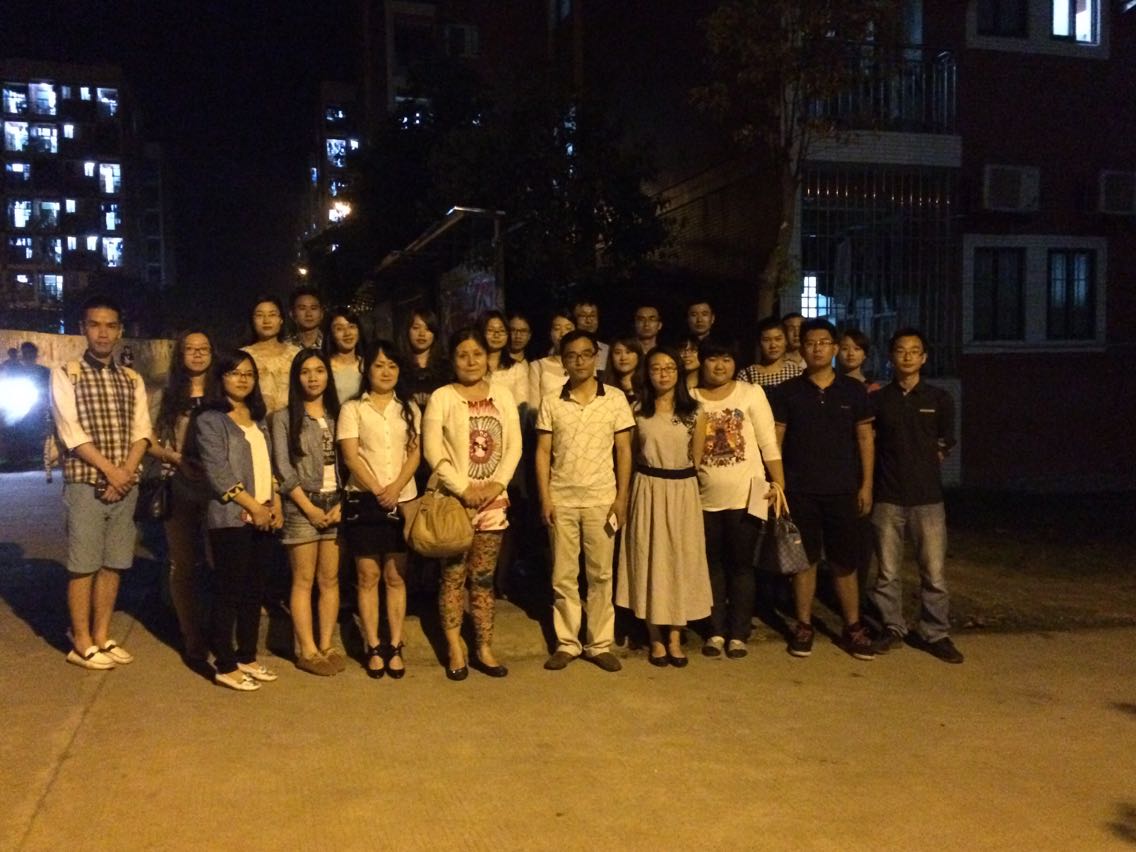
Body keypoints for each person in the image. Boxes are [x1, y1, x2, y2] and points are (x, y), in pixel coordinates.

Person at [52, 295, 151, 669]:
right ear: (83, 329)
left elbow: (142, 431)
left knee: (114, 563)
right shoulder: (67, 373)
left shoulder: (131, 378)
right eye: (95, 325)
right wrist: (112, 470)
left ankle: (102, 635)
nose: (103, 333)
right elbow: (70, 432)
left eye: (110, 326)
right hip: (86, 482)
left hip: (125, 483)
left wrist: (124, 472)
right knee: (83, 564)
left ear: (120, 331)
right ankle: (81, 641)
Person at [772, 320, 876, 660]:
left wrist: (866, 484)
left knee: (845, 561)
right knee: (804, 561)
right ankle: (804, 625)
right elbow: (776, 440)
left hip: (843, 490)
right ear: (801, 349)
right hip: (800, 490)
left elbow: (865, 438)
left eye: (824, 342)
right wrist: (778, 485)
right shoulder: (788, 391)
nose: (817, 348)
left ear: (834, 348)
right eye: (810, 342)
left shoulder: (853, 391)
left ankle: (853, 626)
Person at [423, 328, 522, 680]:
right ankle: (454, 647)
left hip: (493, 501)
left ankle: (484, 647)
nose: (470, 361)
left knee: (482, 578)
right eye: (462, 355)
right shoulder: (442, 397)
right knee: (452, 577)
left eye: (477, 354)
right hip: (454, 503)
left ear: (487, 357)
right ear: (452, 359)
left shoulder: (503, 395)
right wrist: (463, 489)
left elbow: (514, 445)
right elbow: (432, 450)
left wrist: (497, 484)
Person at [536, 330, 634, 672]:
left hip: (602, 499)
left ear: (596, 357)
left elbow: (624, 450)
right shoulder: (551, 400)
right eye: (572, 355)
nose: (579, 361)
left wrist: (621, 498)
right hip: (562, 498)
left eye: (586, 354)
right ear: (563, 361)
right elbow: (542, 452)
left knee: (601, 574)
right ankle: (567, 643)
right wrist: (545, 497)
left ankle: (599, 643)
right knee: (563, 575)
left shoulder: (615, 398)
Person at [869, 329, 963, 664]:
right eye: (900, 350)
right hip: (887, 496)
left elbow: (945, 443)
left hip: (927, 498)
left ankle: (934, 633)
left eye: (914, 351)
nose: (907, 356)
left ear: (924, 358)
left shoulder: (939, 398)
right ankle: (892, 627)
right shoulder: (880, 399)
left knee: (934, 573)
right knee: (887, 572)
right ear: (891, 357)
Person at [691, 338, 785, 659]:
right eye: (713, 359)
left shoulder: (751, 393)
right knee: (712, 566)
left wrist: (779, 484)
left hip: (748, 496)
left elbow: (768, 442)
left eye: (727, 359)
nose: (720, 366)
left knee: (742, 566)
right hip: (703, 498)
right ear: (702, 362)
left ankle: (738, 633)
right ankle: (715, 631)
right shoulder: (690, 397)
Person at [195, 350, 284, 691]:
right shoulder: (210, 419)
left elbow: (268, 465)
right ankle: (225, 664)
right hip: (232, 517)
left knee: (254, 591)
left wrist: (274, 504)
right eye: (234, 373)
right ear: (221, 378)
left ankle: (247, 656)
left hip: (264, 513)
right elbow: (218, 473)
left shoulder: (258, 418)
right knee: (228, 591)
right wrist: (253, 506)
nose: (242, 379)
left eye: (248, 373)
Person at [617, 345, 709, 667]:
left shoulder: (695, 411)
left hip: (682, 491)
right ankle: (655, 636)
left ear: (678, 372)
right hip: (647, 488)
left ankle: (675, 636)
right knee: (649, 558)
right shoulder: (637, 410)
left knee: (680, 560)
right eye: (656, 368)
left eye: (669, 368)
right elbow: (629, 455)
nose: (663, 374)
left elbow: (697, 458)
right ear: (647, 372)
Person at [338, 340, 420, 679]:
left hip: (403, 498)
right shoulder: (353, 408)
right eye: (379, 365)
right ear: (366, 369)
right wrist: (378, 490)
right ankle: (373, 645)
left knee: (396, 575)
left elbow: (416, 453)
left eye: (392, 366)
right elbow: (350, 456)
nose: (386, 372)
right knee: (367, 576)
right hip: (365, 499)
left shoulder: (409, 407)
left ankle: (395, 644)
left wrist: (396, 488)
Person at [271, 349, 344, 677]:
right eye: (305, 372)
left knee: (330, 579)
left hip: (336, 502)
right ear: (296, 377)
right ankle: (307, 649)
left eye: (319, 370)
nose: (313, 378)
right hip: (302, 504)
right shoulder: (284, 417)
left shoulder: (339, 414)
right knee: (303, 579)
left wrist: (342, 504)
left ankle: (327, 644)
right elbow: (284, 468)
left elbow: (352, 460)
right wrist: (309, 508)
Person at [149, 329, 214, 665]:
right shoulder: (167, 393)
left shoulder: (222, 390)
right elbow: (147, 439)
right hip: (180, 485)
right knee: (183, 564)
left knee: (220, 563)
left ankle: (219, 632)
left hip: (219, 488)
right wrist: (173, 457)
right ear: (180, 354)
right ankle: (192, 637)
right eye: (190, 349)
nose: (198, 354)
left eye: (204, 349)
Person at [241, 295, 300, 414]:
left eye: (272, 315)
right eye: (260, 315)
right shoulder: (243, 356)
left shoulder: (296, 354)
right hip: (254, 420)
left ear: (281, 319)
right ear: (252, 320)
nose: (266, 321)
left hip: (291, 420)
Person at [399, 308, 449, 412]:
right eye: (416, 328)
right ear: (407, 331)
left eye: (428, 329)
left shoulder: (447, 367)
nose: (422, 334)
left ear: (435, 334)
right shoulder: (398, 365)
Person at [737, 317, 804, 389]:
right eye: (766, 340)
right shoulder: (746, 375)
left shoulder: (797, 373)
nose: (773, 345)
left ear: (786, 341)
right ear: (759, 343)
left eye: (778, 339)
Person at [480, 310, 528, 406]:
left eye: (502, 331)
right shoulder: (473, 367)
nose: (496, 335)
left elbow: (522, 406)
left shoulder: (517, 369)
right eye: (490, 330)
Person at [527, 310, 575, 405]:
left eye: (568, 329)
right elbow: (533, 407)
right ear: (550, 333)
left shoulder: (585, 364)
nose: (563, 334)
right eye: (557, 329)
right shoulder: (537, 366)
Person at [324, 306, 366, 405]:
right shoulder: (324, 367)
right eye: (339, 329)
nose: (347, 333)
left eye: (351, 326)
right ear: (331, 335)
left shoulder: (368, 364)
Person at [602, 337, 643, 406]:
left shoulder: (647, 386)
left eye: (628, 352)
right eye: (617, 353)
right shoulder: (603, 386)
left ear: (638, 356)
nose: (623, 358)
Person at [571, 298, 609, 372]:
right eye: (583, 316)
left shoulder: (607, 351)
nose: (588, 320)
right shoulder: (568, 349)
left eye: (592, 315)